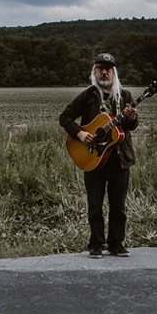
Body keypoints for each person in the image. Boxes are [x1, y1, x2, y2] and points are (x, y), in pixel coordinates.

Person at [59, 53, 138, 259]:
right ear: (94, 72)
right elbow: (65, 117)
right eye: (100, 68)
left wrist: (132, 118)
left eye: (108, 69)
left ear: (114, 72)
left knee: (118, 206)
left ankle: (116, 244)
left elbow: (130, 127)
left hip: (119, 159)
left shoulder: (125, 96)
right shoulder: (88, 95)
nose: (104, 72)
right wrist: (80, 133)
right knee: (95, 205)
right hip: (92, 158)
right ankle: (95, 244)